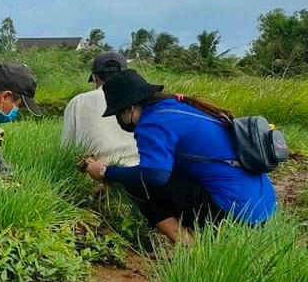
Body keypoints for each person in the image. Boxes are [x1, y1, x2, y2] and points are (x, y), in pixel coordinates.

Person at [79, 69, 276, 243]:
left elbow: (153, 176)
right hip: (262, 209)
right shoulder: (176, 107)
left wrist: (106, 172)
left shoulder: (152, 122)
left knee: (138, 185)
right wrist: (115, 177)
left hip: (236, 213)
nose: (119, 121)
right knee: (143, 177)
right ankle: (203, 238)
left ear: (129, 108)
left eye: (117, 114)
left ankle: (190, 246)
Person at [61, 51, 139, 165]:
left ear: (95, 77)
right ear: (126, 75)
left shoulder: (77, 103)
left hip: (94, 174)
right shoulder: (142, 99)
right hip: (137, 174)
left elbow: (66, 149)